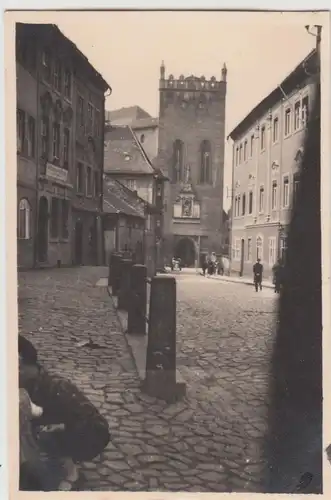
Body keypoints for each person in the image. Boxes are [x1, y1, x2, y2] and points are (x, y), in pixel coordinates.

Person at [19, 335, 110, 491]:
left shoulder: (58, 387)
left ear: (21, 364)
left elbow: (96, 426)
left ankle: (70, 473)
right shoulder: (22, 383)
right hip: (43, 436)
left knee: (47, 434)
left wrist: (61, 427)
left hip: (81, 434)